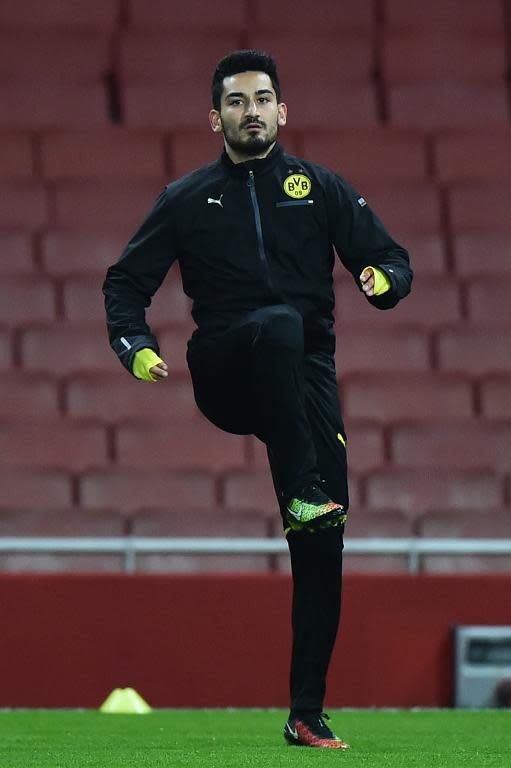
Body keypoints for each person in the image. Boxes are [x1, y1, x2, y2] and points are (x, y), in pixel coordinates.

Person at [103, 49, 413, 749]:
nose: (251, 111)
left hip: (304, 380)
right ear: (216, 117)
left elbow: (393, 258)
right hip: (226, 369)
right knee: (276, 323)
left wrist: (382, 281)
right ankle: (300, 486)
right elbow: (124, 283)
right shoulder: (186, 198)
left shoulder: (320, 187)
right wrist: (135, 347)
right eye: (237, 101)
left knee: (323, 539)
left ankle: (306, 712)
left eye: (262, 99)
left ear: (281, 111)